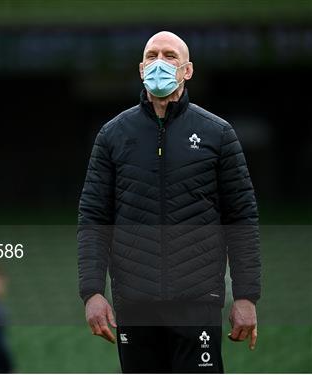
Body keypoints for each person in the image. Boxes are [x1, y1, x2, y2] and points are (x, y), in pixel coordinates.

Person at [77, 31, 261, 373]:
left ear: (187, 70)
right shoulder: (113, 135)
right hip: (135, 305)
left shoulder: (218, 134)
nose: (159, 62)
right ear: (141, 68)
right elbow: (93, 218)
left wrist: (246, 296)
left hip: (198, 303)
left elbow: (242, 219)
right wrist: (92, 292)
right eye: (152, 55)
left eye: (170, 56)